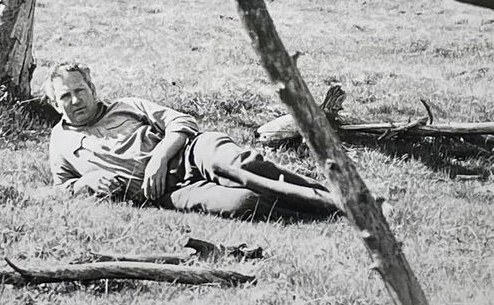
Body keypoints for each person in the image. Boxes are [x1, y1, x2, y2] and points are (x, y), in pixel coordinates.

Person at [44, 61, 339, 221]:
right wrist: (85, 183)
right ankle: (319, 212)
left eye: (79, 90)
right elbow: (59, 188)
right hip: (164, 194)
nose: (75, 100)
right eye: (65, 97)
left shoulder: (127, 105)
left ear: (91, 88)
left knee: (241, 165)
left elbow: (181, 121)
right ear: (55, 105)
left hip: (190, 152)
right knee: (242, 203)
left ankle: (339, 202)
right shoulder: (60, 142)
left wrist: (160, 158)